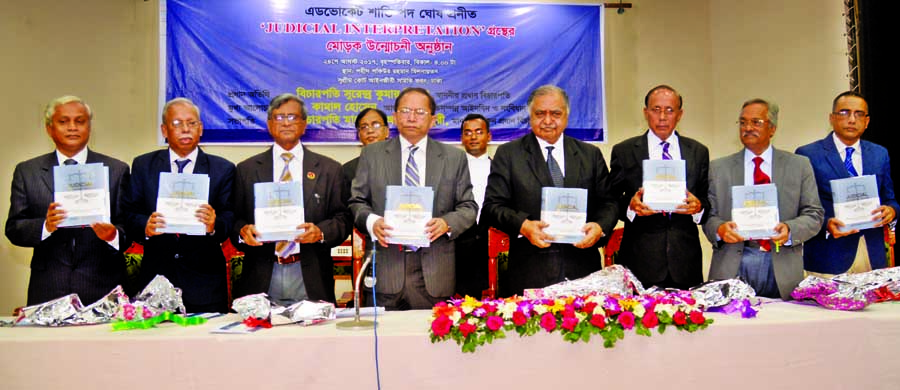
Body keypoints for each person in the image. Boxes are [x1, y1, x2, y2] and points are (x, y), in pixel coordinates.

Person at [483, 85, 618, 297]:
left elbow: (609, 203)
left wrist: (599, 227)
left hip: (583, 272)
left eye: (555, 114)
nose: (547, 120)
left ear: (566, 116)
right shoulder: (509, 154)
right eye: (540, 114)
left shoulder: (590, 155)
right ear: (530, 116)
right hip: (530, 273)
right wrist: (524, 225)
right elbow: (492, 207)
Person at [348, 87, 477, 310]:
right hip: (386, 268)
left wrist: (447, 223)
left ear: (433, 120)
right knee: (382, 343)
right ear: (396, 116)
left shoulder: (454, 158)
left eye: (419, 112)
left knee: (430, 343)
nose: (411, 117)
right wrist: (372, 222)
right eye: (405, 110)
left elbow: (468, 207)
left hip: (434, 271)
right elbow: (357, 201)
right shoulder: (372, 155)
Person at [5, 95, 130, 305]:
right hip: (49, 288)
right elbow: (14, 229)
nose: (72, 127)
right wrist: (45, 226)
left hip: (103, 289)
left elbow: (129, 227)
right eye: (63, 122)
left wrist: (113, 234)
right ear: (49, 128)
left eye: (80, 121)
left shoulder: (117, 170)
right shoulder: (28, 172)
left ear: (89, 127)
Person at [232, 93, 351, 305]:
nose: (286, 122)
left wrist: (320, 232)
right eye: (279, 118)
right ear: (269, 124)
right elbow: (234, 218)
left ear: (304, 124)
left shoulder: (329, 169)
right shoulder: (246, 170)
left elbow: (343, 219)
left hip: (310, 274)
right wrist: (242, 232)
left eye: (293, 117)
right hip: (262, 274)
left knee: (313, 337)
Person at [122, 98, 235, 313]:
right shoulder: (143, 165)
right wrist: (145, 226)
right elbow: (128, 213)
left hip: (204, 283)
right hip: (156, 280)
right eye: (177, 124)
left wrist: (214, 225)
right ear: (164, 130)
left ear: (200, 129)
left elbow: (229, 215)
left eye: (191, 123)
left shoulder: (223, 169)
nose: (185, 129)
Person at [702, 98, 823, 299]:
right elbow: (708, 215)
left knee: (782, 330)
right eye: (742, 122)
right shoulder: (718, 168)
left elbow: (814, 214)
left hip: (782, 267)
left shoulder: (799, 165)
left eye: (756, 122)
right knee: (732, 330)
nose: (747, 128)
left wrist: (790, 229)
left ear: (772, 128)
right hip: (732, 264)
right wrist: (719, 229)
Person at [609, 85, 709, 289]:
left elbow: (708, 200)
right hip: (640, 260)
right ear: (645, 112)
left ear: (680, 115)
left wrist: (698, 208)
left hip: (685, 261)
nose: (662, 116)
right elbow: (610, 200)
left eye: (669, 110)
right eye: (656, 109)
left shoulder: (698, 152)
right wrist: (631, 206)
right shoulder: (625, 151)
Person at [795, 91, 897, 276]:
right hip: (827, 257)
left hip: (872, 257)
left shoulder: (879, 154)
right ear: (832, 118)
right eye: (844, 113)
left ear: (866, 122)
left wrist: (891, 211)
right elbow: (798, 208)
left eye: (858, 114)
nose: (851, 119)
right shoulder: (808, 154)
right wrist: (826, 225)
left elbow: (890, 199)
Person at [455, 113, 492, 298]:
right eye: (468, 133)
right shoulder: (452, 169)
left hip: (493, 239)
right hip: (460, 242)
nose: (473, 137)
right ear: (462, 138)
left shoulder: (501, 168)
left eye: (479, 132)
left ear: (489, 136)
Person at [342, 108, 390, 186]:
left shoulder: (401, 163)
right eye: (364, 127)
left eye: (376, 125)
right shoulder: (347, 170)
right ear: (359, 135)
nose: (370, 130)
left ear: (387, 131)